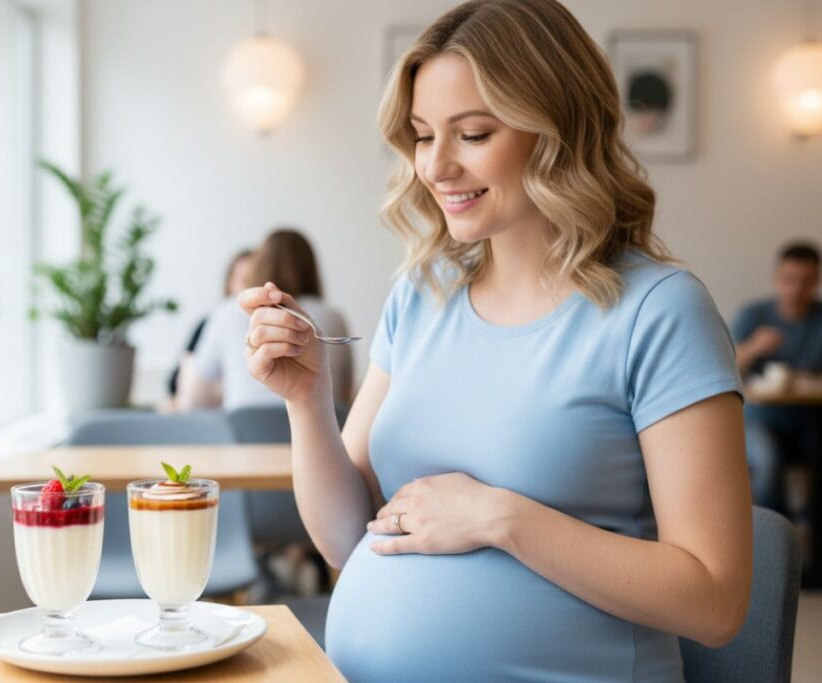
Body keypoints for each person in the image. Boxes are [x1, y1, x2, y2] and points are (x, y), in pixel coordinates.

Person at [239, 1, 752, 681]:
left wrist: (500, 517)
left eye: (473, 133)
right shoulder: (422, 295)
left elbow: (716, 599)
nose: (436, 166)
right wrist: (307, 400)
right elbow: (344, 539)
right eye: (423, 135)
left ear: (558, 132)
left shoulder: (659, 311)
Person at [178, 228, 352, 410]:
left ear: (259, 263)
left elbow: (193, 400)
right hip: (322, 431)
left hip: (243, 432)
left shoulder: (226, 312)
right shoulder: (334, 317)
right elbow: (344, 394)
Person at [732, 241, 822, 513]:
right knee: (768, 461)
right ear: (777, 277)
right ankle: (781, 536)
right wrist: (754, 347)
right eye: (789, 280)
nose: (796, 289)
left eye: (806, 282)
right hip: (760, 417)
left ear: (816, 281)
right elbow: (725, 368)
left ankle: (815, 541)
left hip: (813, 417)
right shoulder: (753, 315)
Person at [166, 249, 253, 402]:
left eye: (256, 280)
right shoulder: (209, 322)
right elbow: (174, 383)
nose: (250, 289)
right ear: (230, 283)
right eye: (244, 280)